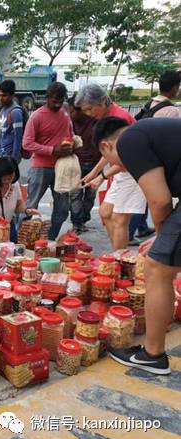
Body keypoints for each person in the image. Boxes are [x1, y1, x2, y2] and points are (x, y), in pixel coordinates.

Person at [93, 117, 181, 375]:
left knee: (157, 267)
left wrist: (163, 236)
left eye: (109, 160)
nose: (114, 166)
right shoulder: (147, 133)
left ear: (107, 146)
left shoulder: (130, 141)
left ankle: (153, 354)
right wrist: (164, 237)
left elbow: (160, 200)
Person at [75, 84, 144, 250]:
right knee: (105, 212)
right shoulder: (107, 118)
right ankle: (118, 255)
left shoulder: (121, 119)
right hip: (122, 172)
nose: (89, 114)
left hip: (134, 172)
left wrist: (102, 177)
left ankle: (119, 261)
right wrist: (94, 173)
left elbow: (126, 158)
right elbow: (108, 153)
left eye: (90, 109)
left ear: (103, 101)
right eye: (86, 110)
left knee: (120, 219)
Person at [128, 70, 180, 244]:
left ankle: (141, 227)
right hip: (158, 165)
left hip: (143, 160)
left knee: (145, 198)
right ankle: (159, 237)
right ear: (175, 88)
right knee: (155, 200)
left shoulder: (149, 104)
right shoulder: (172, 111)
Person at [23, 82, 74, 240]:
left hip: (62, 168)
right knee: (31, 206)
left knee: (63, 208)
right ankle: (22, 239)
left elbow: (70, 133)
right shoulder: (37, 116)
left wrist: (72, 145)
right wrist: (52, 150)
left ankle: (50, 239)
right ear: (47, 98)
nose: (57, 104)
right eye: (54, 101)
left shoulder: (65, 113)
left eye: (60, 101)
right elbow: (27, 143)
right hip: (41, 168)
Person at [68, 96, 100, 234]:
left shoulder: (95, 121)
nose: (70, 115)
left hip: (95, 164)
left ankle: (83, 219)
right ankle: (76, 223)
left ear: (81, 110)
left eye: (73, 112)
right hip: (76, 163)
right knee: (75, 195)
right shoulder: (69, 123)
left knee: (90, 195)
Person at [0, 80, 24, 163]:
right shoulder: (3, 110)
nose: (1, 98)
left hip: (10, 157)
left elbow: (18, 138)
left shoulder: (15, 112)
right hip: (3, 155)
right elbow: (1, 134)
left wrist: (13, 160)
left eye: (4, 95)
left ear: (12, 96)